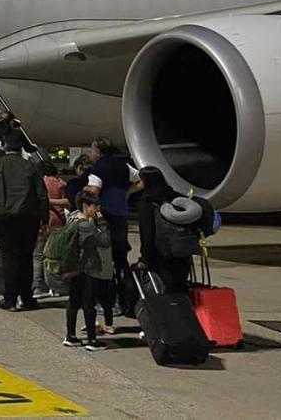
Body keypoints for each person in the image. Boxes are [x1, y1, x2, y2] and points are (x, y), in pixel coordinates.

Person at [0, 134, 48, 311]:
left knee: (9, 257)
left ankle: (10, 300)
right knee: (26, 258)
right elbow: (42, 195)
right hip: (28, 217)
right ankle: (27, 298)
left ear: (5, 147)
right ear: (21, 148)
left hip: (1, 217)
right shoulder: (30, 166)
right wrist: (45, 218)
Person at [87, 137, 142, 310]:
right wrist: (128, 191)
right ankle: (125, 298)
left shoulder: (98, 169)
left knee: (104, 259)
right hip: (121, 215)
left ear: (98, 152)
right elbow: (142, 179)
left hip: (105, 217)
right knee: (121, 259)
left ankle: (108, 300)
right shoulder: (124, 166)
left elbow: (94, 191)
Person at [63, 190, 115, 351]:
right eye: (95, 206)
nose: (98, 209)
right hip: (87, 270)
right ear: (86, 206)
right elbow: (105, 241)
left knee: (73, 303)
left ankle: (70, 336)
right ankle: (92, 340)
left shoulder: (72, 220)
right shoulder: (86, 226)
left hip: (74, 269)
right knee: (88, 305)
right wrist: (102, 222)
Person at [136, 165, 195, 294]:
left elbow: (147, 233)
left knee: (164, 288)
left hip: (160, 253)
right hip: (181, 250)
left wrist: (145, 258)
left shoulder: (147, 202)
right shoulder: (176, 197)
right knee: (180, 286)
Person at [33, 162, 71, 298]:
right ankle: (55, 287)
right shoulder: (61, 183)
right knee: (55, 255)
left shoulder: (38, 182)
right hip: (58, 221)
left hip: (41, 222)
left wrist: (47, 202)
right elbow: (68, 201)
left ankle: (37, 286)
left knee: (38, 255)